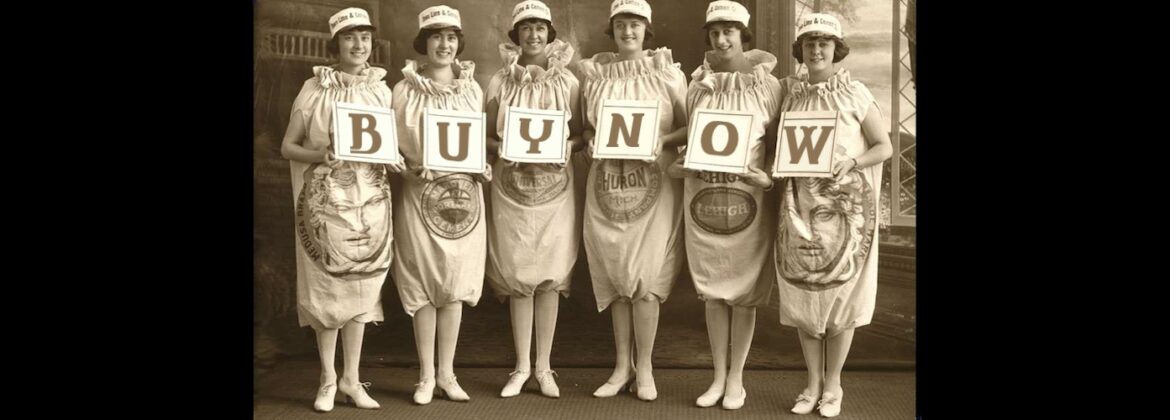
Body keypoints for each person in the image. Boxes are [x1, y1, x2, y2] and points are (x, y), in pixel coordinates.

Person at [739, 12, 893, 418]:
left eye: (824, 43)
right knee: (807, 300)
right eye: (810, 44)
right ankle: (811, 383)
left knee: (841, 301)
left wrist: (854, 163)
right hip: (798, 209)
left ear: (836, 49)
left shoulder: (856, 93)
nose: (817, 50)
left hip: (845, 215)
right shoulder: (791, 94)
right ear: (801, 51)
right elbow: (777, 152)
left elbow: (883, 146)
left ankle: (834, 386)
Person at [279, 6, 401, 412]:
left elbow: (387, 145)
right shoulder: (315, 90)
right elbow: (287, 145)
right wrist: (319, 153)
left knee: (362, 287)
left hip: (368, 207)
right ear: (337, 45)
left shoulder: (381, 91)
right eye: (350, 38)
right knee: (328, 289)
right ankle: (328, 379)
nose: (359, 44)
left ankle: (352, 378)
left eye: (365, 37)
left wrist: (395, 158)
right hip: (325, 207)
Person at [667, 1, 782, 410]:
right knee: (714, 291)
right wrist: (689, 164)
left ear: (743, 35)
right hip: (705, 198)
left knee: (743, 292)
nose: (721, 39)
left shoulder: (769, 86)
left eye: (729, 31)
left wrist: (763, 175)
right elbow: (692, 138)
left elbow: (775, 146)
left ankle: (737, 380)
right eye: (715, 33)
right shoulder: (698, 86)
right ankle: (717, 376)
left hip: (748, 199)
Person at [578, 0, 688, 402]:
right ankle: (621, 365)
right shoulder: (596, 77)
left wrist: (661, 141)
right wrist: (591, 146)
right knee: (617, 274)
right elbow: (589, 130)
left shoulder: (667, 74)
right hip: (607, 186)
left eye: (635, 25)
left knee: (644, 278)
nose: (628, 32)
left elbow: (690, 126)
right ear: (612, 29)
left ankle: (646, 367)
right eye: (621, 25)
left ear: (647, 30)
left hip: (653, 186)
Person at [389, 4, 490, 405]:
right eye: (436, 37)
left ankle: (448, 373)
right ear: (423, 43)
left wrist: (480, 166)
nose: (444, 45)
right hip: (418, 198)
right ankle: (425, 376)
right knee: (423, 284)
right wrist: (409, 170)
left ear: (458, 42)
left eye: (451, 37)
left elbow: (476, 141)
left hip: (463, 200)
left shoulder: (473, 88)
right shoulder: (403, 90)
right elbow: (389, 146)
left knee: (452, 284)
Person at [483, 0, 583, 399]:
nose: (534, 34)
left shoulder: (569, 83)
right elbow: (486, 135)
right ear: (516, 35)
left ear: (550, 34)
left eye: (541, 27)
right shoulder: (498, 82)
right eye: (526, 28)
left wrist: (563, 147)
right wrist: (504, 147)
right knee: (519, 277)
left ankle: (544, 367)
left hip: (555, 194)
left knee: (549, 277)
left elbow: (581, 135)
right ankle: (521, 366)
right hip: (511, 192)